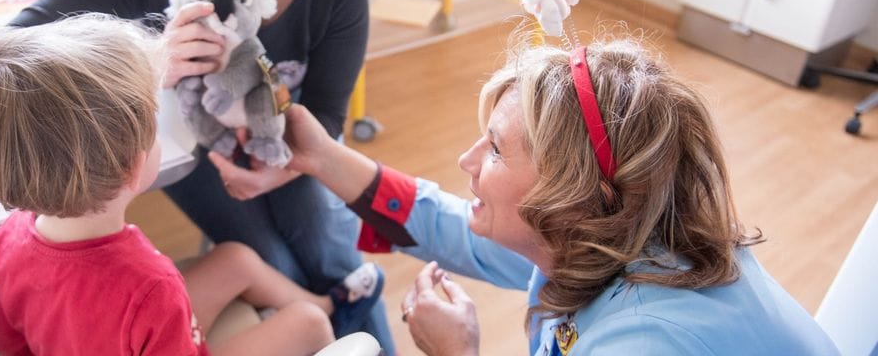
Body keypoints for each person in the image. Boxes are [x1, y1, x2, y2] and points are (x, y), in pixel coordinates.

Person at [9, 0, 393, 350]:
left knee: (330, 252)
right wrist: (150, 59)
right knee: (271, 261)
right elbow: (15, 49)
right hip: (196, 150)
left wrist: (282, 168)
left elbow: (328, 114)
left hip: (286, 140)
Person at [215, 34, 841, 355]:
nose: (465, 162)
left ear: (572, 196)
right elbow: (449, 224)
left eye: (492, 150)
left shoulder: (647, 341)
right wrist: (320, 154)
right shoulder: (614, 224)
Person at [0, 15, 384, 355]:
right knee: (308, 324)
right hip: (151, 330)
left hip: (116, 329)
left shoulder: (5, 241)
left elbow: (11, 343)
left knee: (236, 259)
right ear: (136, 168)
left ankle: (333, 303)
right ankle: (326, 315)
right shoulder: (152, 286)